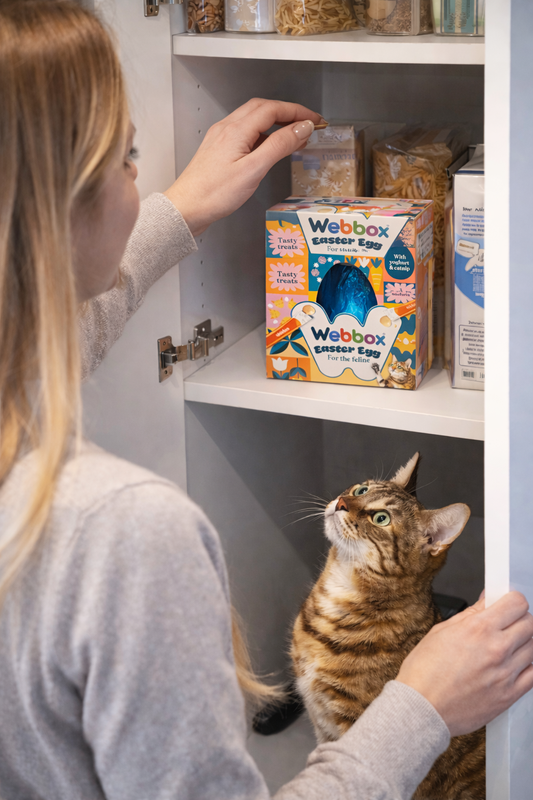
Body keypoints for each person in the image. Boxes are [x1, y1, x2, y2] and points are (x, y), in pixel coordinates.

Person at [0, 2, 532, 800]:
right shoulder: (120, 532)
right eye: (127, 157)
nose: (139, 176)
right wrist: (423, 705)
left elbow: (48, 335)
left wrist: (183, 207)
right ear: (57, 204)